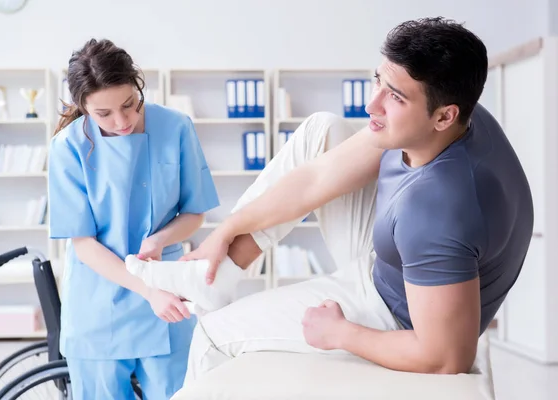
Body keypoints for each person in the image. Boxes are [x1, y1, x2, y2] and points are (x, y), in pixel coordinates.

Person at [169, 16, 534, 383]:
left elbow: (444, 358)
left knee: (210, 336)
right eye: (379, 81)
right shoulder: (454, 115)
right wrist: (226, 230)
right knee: (322, 129)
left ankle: (211, 284)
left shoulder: (438, 209)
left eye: (394, 96)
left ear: (443, 116)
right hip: (395, 258)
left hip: (395, 313)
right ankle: (218, 274)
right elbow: (315, 178)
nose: (371, 105)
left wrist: (341, 333)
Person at [48, 38, 219, 399]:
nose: (122, 121)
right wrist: (147, 291)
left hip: (167, 298)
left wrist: (160, 239)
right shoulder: (67, 148)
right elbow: (84, 244)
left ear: (138, 86)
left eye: (129, 105)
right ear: (83, 107)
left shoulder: (175, 127)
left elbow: (194, 213)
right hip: (98, 304)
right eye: (104, 114)